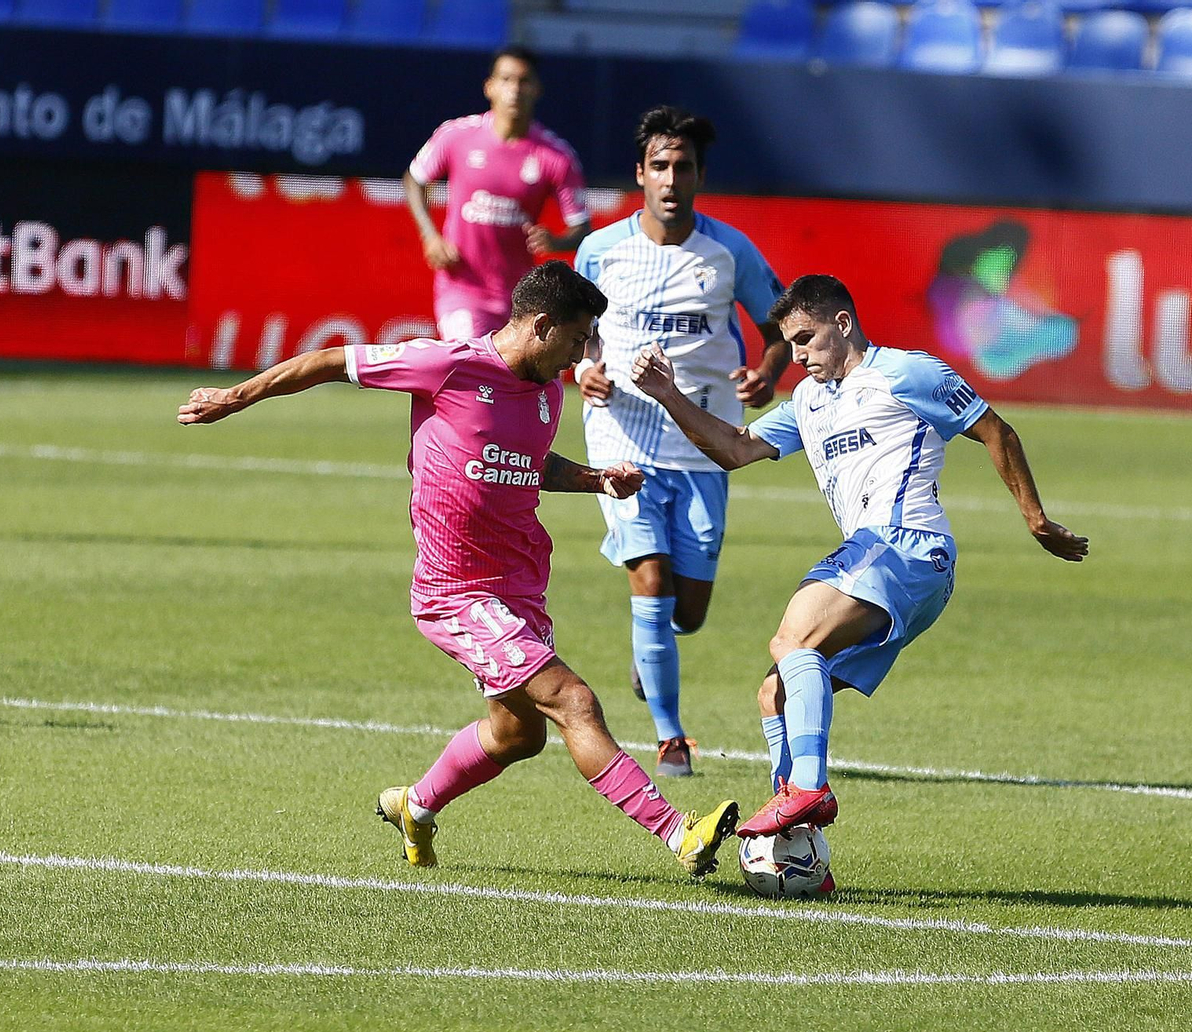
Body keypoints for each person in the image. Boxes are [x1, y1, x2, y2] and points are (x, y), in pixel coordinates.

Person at [177, 261, 738, 876]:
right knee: (574, 701)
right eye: (578, 340)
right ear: (544, 326)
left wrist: (596, 479)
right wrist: (232, 398)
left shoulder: (548, 390)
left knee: (519, 736)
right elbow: (331, 361)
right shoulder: (449, 365)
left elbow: (530, 463)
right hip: (458, 592)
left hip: (520, 584)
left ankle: (415, 806)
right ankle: (678, 832)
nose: (582, 357)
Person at [630, 273, 1088, 836]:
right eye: (790, 344)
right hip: (886, 562)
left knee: (793, 639)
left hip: (907, 545)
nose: (796, 356)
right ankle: (796, 843)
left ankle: (808, 790)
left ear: (842, 324)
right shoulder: (808, 399)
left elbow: (996, 430)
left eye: (805, 339)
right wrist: (668, 395)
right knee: (776, 692)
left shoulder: (906, 372)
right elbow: (733, 448)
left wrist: (1035, 518)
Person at [574, 105, 791, 779]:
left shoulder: (730, 253)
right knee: (651, 576)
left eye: (684, 167)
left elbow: (781, 327)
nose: (671, 178)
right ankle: (670, 736)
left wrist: (766, 373)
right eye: (660, 166)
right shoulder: (601, 251)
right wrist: (585, 367)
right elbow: (574, 328)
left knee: (688, 613)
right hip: (623, 435)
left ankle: (651, 654)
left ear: (699, 176)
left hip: (703, 442)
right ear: (640, 174)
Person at [403, 46, 590, 342]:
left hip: (521, 298)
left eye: (524, 81)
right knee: (468, 361)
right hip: (462, 288)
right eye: (506, 79)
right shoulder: (457, 135)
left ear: (537, 89)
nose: (514, 90)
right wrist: (430, 237)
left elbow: (582, 227)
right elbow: (414, 180)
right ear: (489, 87)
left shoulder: (556, 156)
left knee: (515, 383)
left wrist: (557, 241)